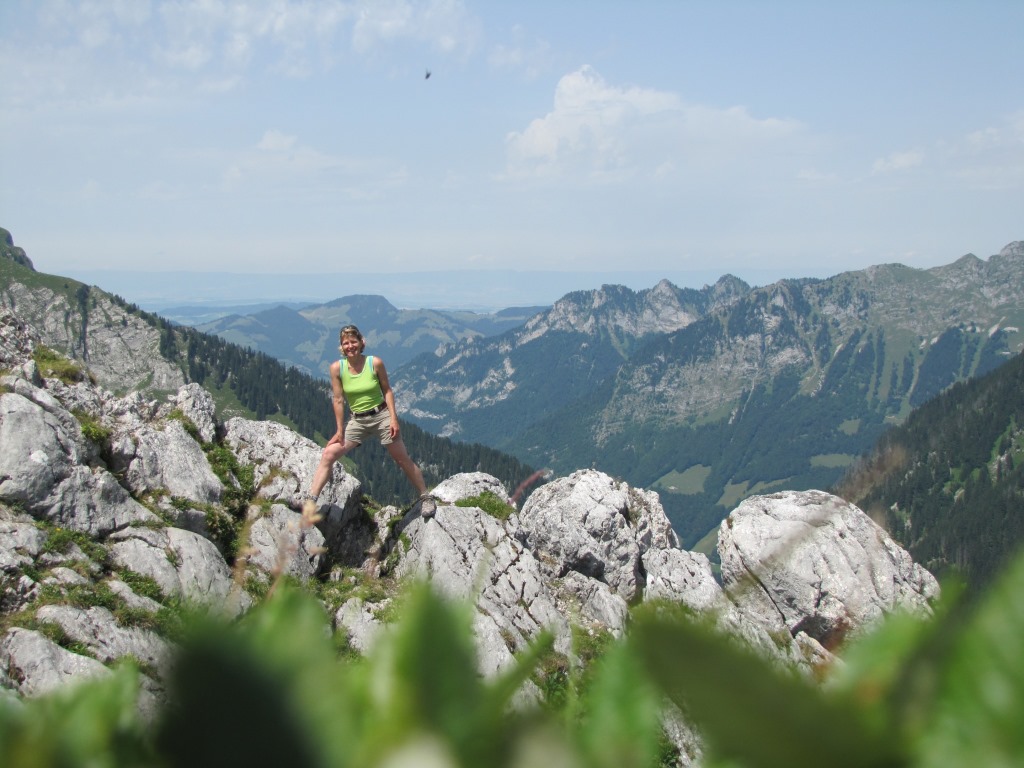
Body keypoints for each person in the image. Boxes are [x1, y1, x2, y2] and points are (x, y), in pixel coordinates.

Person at [300, 324, 436, 518]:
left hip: (381, 416)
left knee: (401, 458)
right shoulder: (337, 368)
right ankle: (310, 501)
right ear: (341, 346)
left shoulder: (375, 363)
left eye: (353, 342)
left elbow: (387, 391)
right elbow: (338, 400)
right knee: (329, 454)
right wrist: (339, 431)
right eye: (345, 343)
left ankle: (426, 496)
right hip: (357, 421)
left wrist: (393, 419)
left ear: (361, 342)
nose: (350, 346)